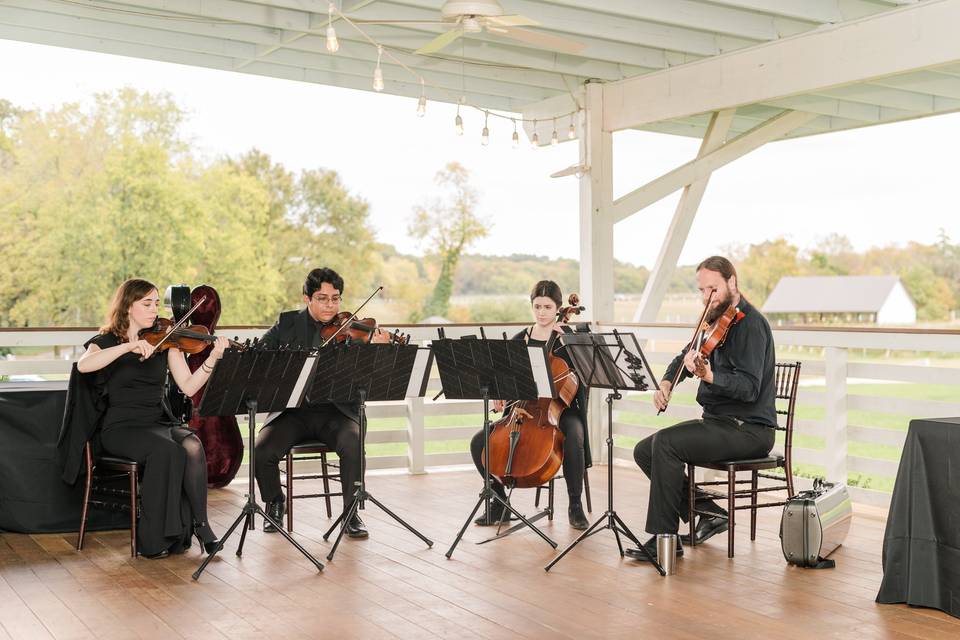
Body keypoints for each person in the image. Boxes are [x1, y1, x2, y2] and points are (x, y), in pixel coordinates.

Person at [625, 256, 778, 563]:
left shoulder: (752, 326)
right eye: (702, 290)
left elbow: (748, 388)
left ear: (732, 282)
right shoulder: (715, 320)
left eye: (713, 288)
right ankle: (709, 513)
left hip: (748, 429)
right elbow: (687, 355)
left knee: (665, 444)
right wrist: (668, 381)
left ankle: (664, 540)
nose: (707, 297)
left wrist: (709, 376)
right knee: (644, 450)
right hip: (720, 423)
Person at [75, 279, 229, 558]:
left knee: (192, 444)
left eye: (157, 303)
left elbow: (189, 386)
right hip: (121, 428)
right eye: (147, 303)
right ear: (127, 307)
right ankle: (155, 540)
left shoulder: (166, 340)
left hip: (157, 422)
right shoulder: (105, 342)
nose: (154, 309)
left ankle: (200, 525)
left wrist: (214, 357)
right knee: (167, 450)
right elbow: (84, 366)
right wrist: (127, 347)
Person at [254, 267, 390, 539]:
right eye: (322, 298)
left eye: (335, 298)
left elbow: (373, 375)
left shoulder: (353, 329)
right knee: (261, 450)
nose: (330, 305)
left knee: (354, 443)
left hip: (336, 412)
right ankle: (276, 501)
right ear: (307, 298)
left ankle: (351, 513)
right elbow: (260, 352)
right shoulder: (287, 324)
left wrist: (379, 349)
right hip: (294, 412)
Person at [469, 280, 592, 530]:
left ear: (559, 308)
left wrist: (571, 341)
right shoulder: (518, 340)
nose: (542, 312)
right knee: (479, 441)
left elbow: (584, 376)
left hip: (560, 408)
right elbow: (505, 379)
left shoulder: (567, 339)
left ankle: (574, 505)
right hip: (522, 410)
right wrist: (500, 394)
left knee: (575, 434)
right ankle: (498, 503)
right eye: (537, 306)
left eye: (547, 307)